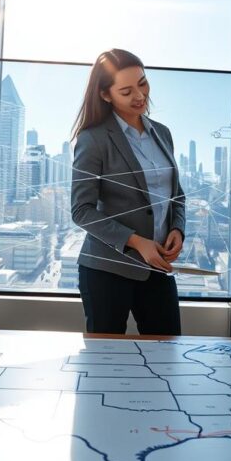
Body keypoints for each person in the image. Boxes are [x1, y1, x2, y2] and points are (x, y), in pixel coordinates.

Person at [70, 49, 185, 335]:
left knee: (167, 350)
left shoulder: (162, 133)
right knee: (107, 356)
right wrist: (136, 242)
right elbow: (81, 211)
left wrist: (177, 229)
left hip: (157, 266)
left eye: (142, 83)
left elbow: (176, 195)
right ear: (106, 95)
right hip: (107, 269)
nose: (140, 95)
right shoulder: (93, 139)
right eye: (126, 91)